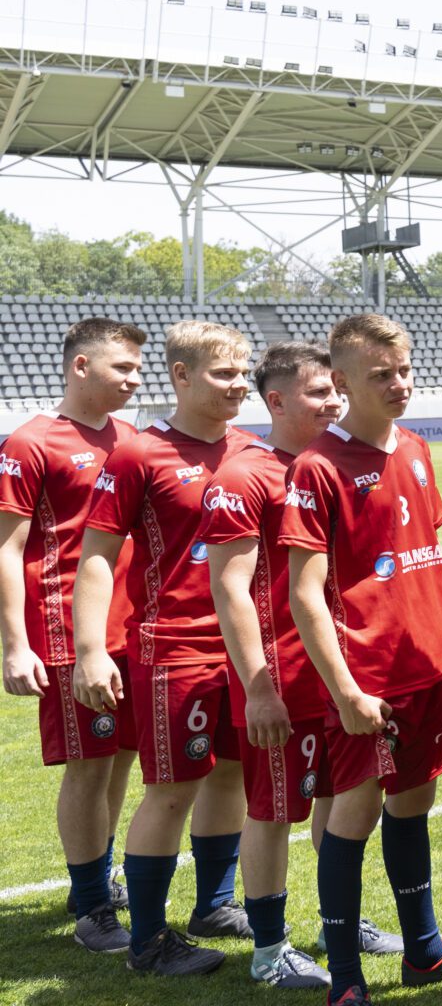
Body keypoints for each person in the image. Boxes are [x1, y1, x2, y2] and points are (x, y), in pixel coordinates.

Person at [280, 313, 442, 1005]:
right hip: (367, 679)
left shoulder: (413, 447)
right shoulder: (319, 466)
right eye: (381, 374)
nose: (400, 383)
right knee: (354, 816)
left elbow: (429, 557)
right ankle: (346, 979)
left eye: (404, 370)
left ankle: (425, 952)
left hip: (425, 671)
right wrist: (345, 690)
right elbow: (304, 593)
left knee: (415, 804)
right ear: (343, 382)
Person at [71, 321, 256, 977]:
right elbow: (97, 558)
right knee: (172, 790)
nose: (239, 386)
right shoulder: (139, 454)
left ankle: (215, 906)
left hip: (244, 650)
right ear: (181, 376)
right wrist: (90, 650)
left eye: (243, 374)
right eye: (224, 374)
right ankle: (148, 942)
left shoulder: (251, 451)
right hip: (175, 648)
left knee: (231, 774)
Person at [203, 341, 353, 990]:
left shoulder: (333, 467)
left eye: (337, 390)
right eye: (319, 392)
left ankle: (339, 923)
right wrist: (259, 689)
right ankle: (268, 949)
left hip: (337, 674)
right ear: (277, 400)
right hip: (281, 681)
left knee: (338, 800)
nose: (334, 402)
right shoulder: (245, 476)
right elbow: (230, 589)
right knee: (272, 810)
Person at [0, 318, 145, 954]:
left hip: (134, 628)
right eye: (123, 368)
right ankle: (91, 908)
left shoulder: (130, 438)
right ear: (81, 366)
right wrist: (15, 645)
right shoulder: (32, 442)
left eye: (138, 368)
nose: (134, 379)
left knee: (120, 758)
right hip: (69, 633)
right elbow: (7, 548)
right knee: (89, 766)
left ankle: (97, 878)